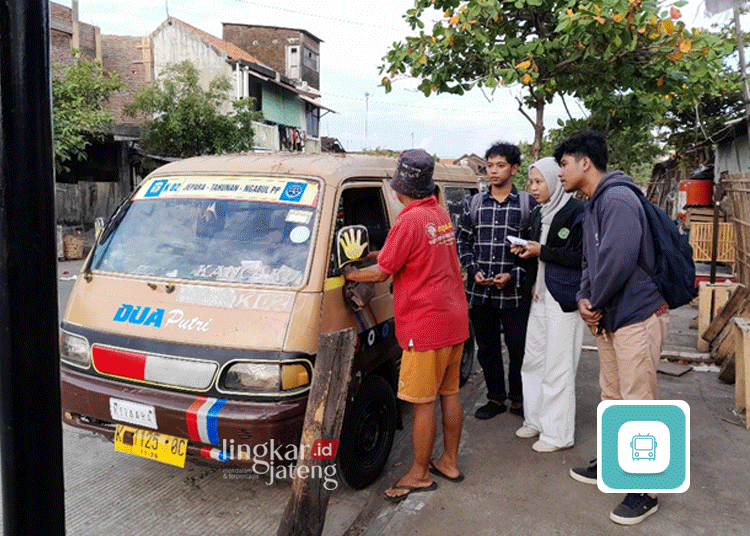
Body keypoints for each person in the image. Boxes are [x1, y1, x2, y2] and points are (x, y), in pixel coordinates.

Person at [554, 132, 669, 525]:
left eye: (564, 164)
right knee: (613, 394)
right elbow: (591, 262)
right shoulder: (594, 204)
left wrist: (594, 303)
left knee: (638, 400)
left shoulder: (618, 199)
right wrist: (586, 299)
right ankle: (615, 463)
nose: (560, 174)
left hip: (636, 314)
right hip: (610, 316)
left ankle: (645, 491)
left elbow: (618, 262)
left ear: (585, 162)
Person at [343, 149, 469, 503]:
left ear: (400, 188)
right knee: (450, 394)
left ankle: (419, 473)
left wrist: (351, 272)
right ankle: (449, 462)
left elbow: (383, 273)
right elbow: (407, 254)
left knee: (421, 403)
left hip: (425, 326)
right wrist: (375, 254)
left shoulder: (408, 221)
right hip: (454, 319)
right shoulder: (438, 214)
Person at [455, 142, 536, 419]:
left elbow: (534, 251)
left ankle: (518, 399)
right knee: (487, 348)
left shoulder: (527, 205)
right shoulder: (474, 204)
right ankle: (496, 398)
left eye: (500, 165)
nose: (493, 171)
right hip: (480, 293)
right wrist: (472, 268)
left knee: (518, 347)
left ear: (514, 169)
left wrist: (514, 275)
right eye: (489, 165)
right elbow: (462, 242)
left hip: (514, 294)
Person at [509, 157, 585, 452]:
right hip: (539, 295)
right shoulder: (539, 213)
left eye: (539, 181)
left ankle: (558, 433)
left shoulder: (577, 212)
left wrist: (543, 251)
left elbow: (580, 257)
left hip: (563, 297)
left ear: (555, 179)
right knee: (534, 360)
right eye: (532, 182)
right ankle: (536, 420)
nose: (534, 188)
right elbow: (539, 253)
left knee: (559, 365)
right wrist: (525, 251)